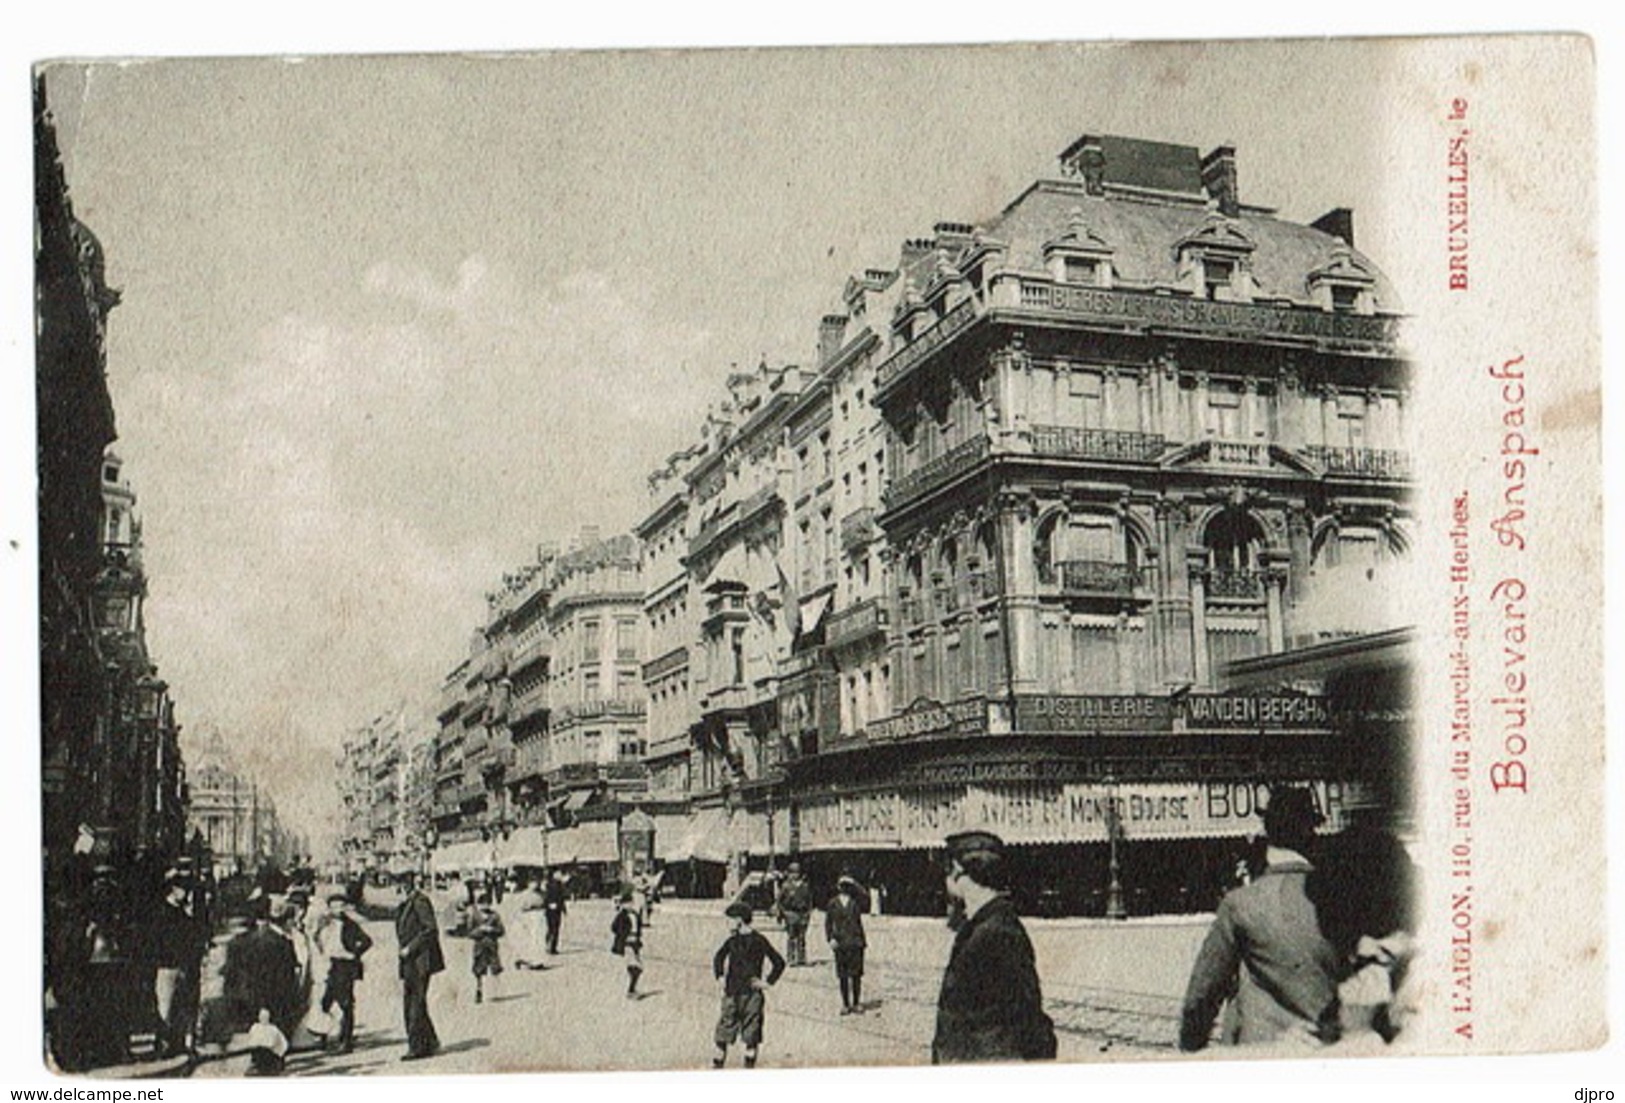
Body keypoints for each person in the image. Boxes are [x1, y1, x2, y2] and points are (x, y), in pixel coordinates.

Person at [1179, 786, 1343, 1052]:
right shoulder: (1341, 900)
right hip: (1329, 1054)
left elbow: (1202, 995)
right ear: (1310, 833)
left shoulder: (1240, 904)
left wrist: (1191, 1046)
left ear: (1268, 832)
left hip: (1261, 1054)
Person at [932, 831, 1057, 1064]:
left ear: (958, 871)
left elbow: (1029, 1022)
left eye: (946, 872)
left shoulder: (998, 932)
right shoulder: (983, 925)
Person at [711, 902, 786, 1069]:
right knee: (723, 1034)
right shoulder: (731, 940)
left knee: (751, 1036)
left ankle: (748, 1068)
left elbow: (779, 962)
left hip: (752, 996)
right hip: (731, 994)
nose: (727, 924)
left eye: (729, 920)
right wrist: (720, 976)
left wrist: (767, 982)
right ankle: (717, 1067)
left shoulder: (759, 940)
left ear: (738, 920)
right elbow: (718, 958)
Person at [148, 870, 210, 1058]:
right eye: (184, 889)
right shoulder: (162, 912)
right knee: (165, 1008)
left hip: (184, 966)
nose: (187, 894)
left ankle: (180, 1044)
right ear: (174, 890)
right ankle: (163, 1046)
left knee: (182, 1007)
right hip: (167, 967)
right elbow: (156, 941)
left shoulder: (184, 914)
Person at [313, 893, 373, 1054]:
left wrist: (354, 953)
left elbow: (367, 941)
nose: (337, 909)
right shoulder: (324, 922)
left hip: (345, 966)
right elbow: (316, 938)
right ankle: (323, 1036)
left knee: (346, 1004)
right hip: (331, 964)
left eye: (340, 905)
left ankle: (346, 1041)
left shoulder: (350, 924)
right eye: (333, 905)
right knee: (325, 1002)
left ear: (345, 907)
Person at [395, 873, 445, 1061]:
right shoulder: (406, 904)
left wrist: (410, 947)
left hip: (420, 960)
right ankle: (430, 1042)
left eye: (402, 884)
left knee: (414, 1003)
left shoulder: (420, 901)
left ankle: (416, 1047)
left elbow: (430, 929)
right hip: (410, 961)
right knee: (415, 1002)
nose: (399, 889)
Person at [824, 874, 868, 1015]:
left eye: (848, 886)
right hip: (840, 942)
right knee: (842, 975)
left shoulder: (856, 902)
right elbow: (828, 923)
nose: (845, 889)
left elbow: (866, 898)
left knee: (856, 975)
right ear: (838, 887)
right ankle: (845, 1004)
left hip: (856, 941)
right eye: (843, 886)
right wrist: (830, 938)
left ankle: (856, 1003)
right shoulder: (832, 903)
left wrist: (856, 883)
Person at [468, 894, 505, 1004]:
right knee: (479, 970)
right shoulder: (474, 916)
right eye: (482, 904)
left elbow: (501, 931)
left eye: (487, 904)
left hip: (492, 946)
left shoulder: (495, 916)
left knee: (495, 968)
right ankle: (479, 990)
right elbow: (469, 933)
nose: (485, 906)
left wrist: (491, 930)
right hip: (479, 947)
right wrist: (480, 930)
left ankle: (494, 992)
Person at [610, 889, 645, 999]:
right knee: (638, 966)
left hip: (635, 943)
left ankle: (632, 988)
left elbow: (639, 926)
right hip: (627, 943)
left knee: (636, 966)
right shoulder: (621, 915)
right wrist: (623, 935)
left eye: (631, 902)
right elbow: (613, 927)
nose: (630, 905)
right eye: (628, 903)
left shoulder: (634, 914)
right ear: (623, 904)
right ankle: (631, 990)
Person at [777, 863, 813, 967]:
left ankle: (801, 958)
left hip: (802, 914)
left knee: (801, 937)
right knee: (791, 937)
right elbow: (780, 901)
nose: (795, 875)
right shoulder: (786, 886)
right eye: (792, 873)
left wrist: (807, 914)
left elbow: (809, 901)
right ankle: (791, 958)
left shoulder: (805, 886)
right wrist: (783, 914)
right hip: (790, 913)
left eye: (797, 872)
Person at [513, 878, 549, 970]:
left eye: (537, 882)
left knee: (540, 938)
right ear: (528, 884)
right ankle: (527, 959)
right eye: (533, 882)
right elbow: (519, 908)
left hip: (540, 915)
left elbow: (545, 903)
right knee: (531, 939)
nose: (535, 884)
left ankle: (538, 960)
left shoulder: (542, 893)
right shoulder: (524, 894)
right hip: (529, 916)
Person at [543, 869, 569, 955]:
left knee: (552, 928)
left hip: (553, 909)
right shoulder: (552, 884)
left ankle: (550, 946)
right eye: (559, 874)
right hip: (553, 909)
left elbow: (561, 898)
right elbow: (550, 897)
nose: (560, 875)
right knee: (553, 928)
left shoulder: (553, 884)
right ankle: (551, 946)